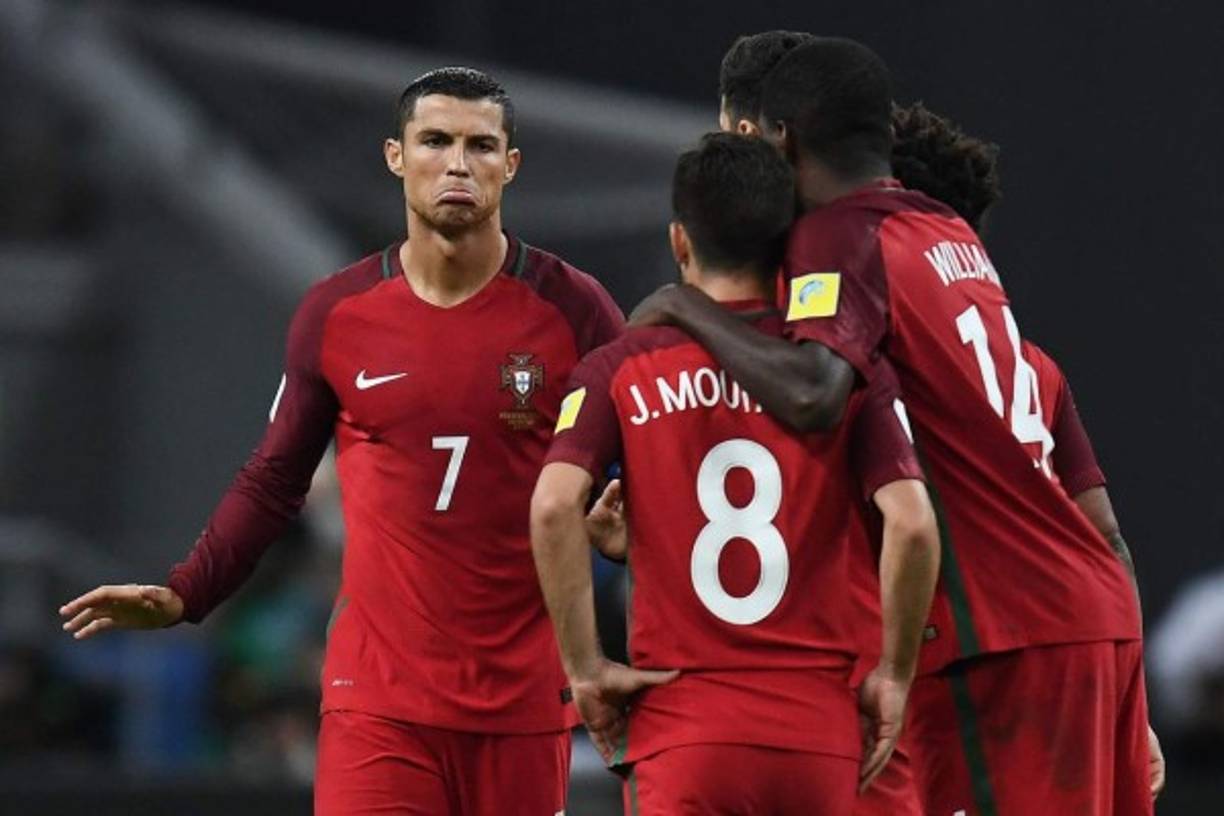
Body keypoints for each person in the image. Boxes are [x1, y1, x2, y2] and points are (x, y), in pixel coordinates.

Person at [59, 67, 625, 815]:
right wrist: (187, 591)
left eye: (480, 145)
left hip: (523, 707)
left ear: (509, 165)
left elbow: (642, 461)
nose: (458, 163)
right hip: (377, 703)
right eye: (435, 141)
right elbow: (273, 479)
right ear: (396, 155)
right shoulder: (337, 313)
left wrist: (629, 532)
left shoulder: (575, 310)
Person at [635, 37, 1150, 815]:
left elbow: (813, 392)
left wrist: (682, 307)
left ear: (781, 138)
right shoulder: (947, 232)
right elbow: (1105, 526)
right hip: (1093, 619)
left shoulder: (839, 237)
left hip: (1003, 637)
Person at [531, 132, 940, 814]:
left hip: (683, 729)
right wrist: (894, 675)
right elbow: (914, 524)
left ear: (679, 242)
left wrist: (587, 668)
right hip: (817, 731)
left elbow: (550, 509)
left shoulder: (621, 365)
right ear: (788, 244)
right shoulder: (842, 370)